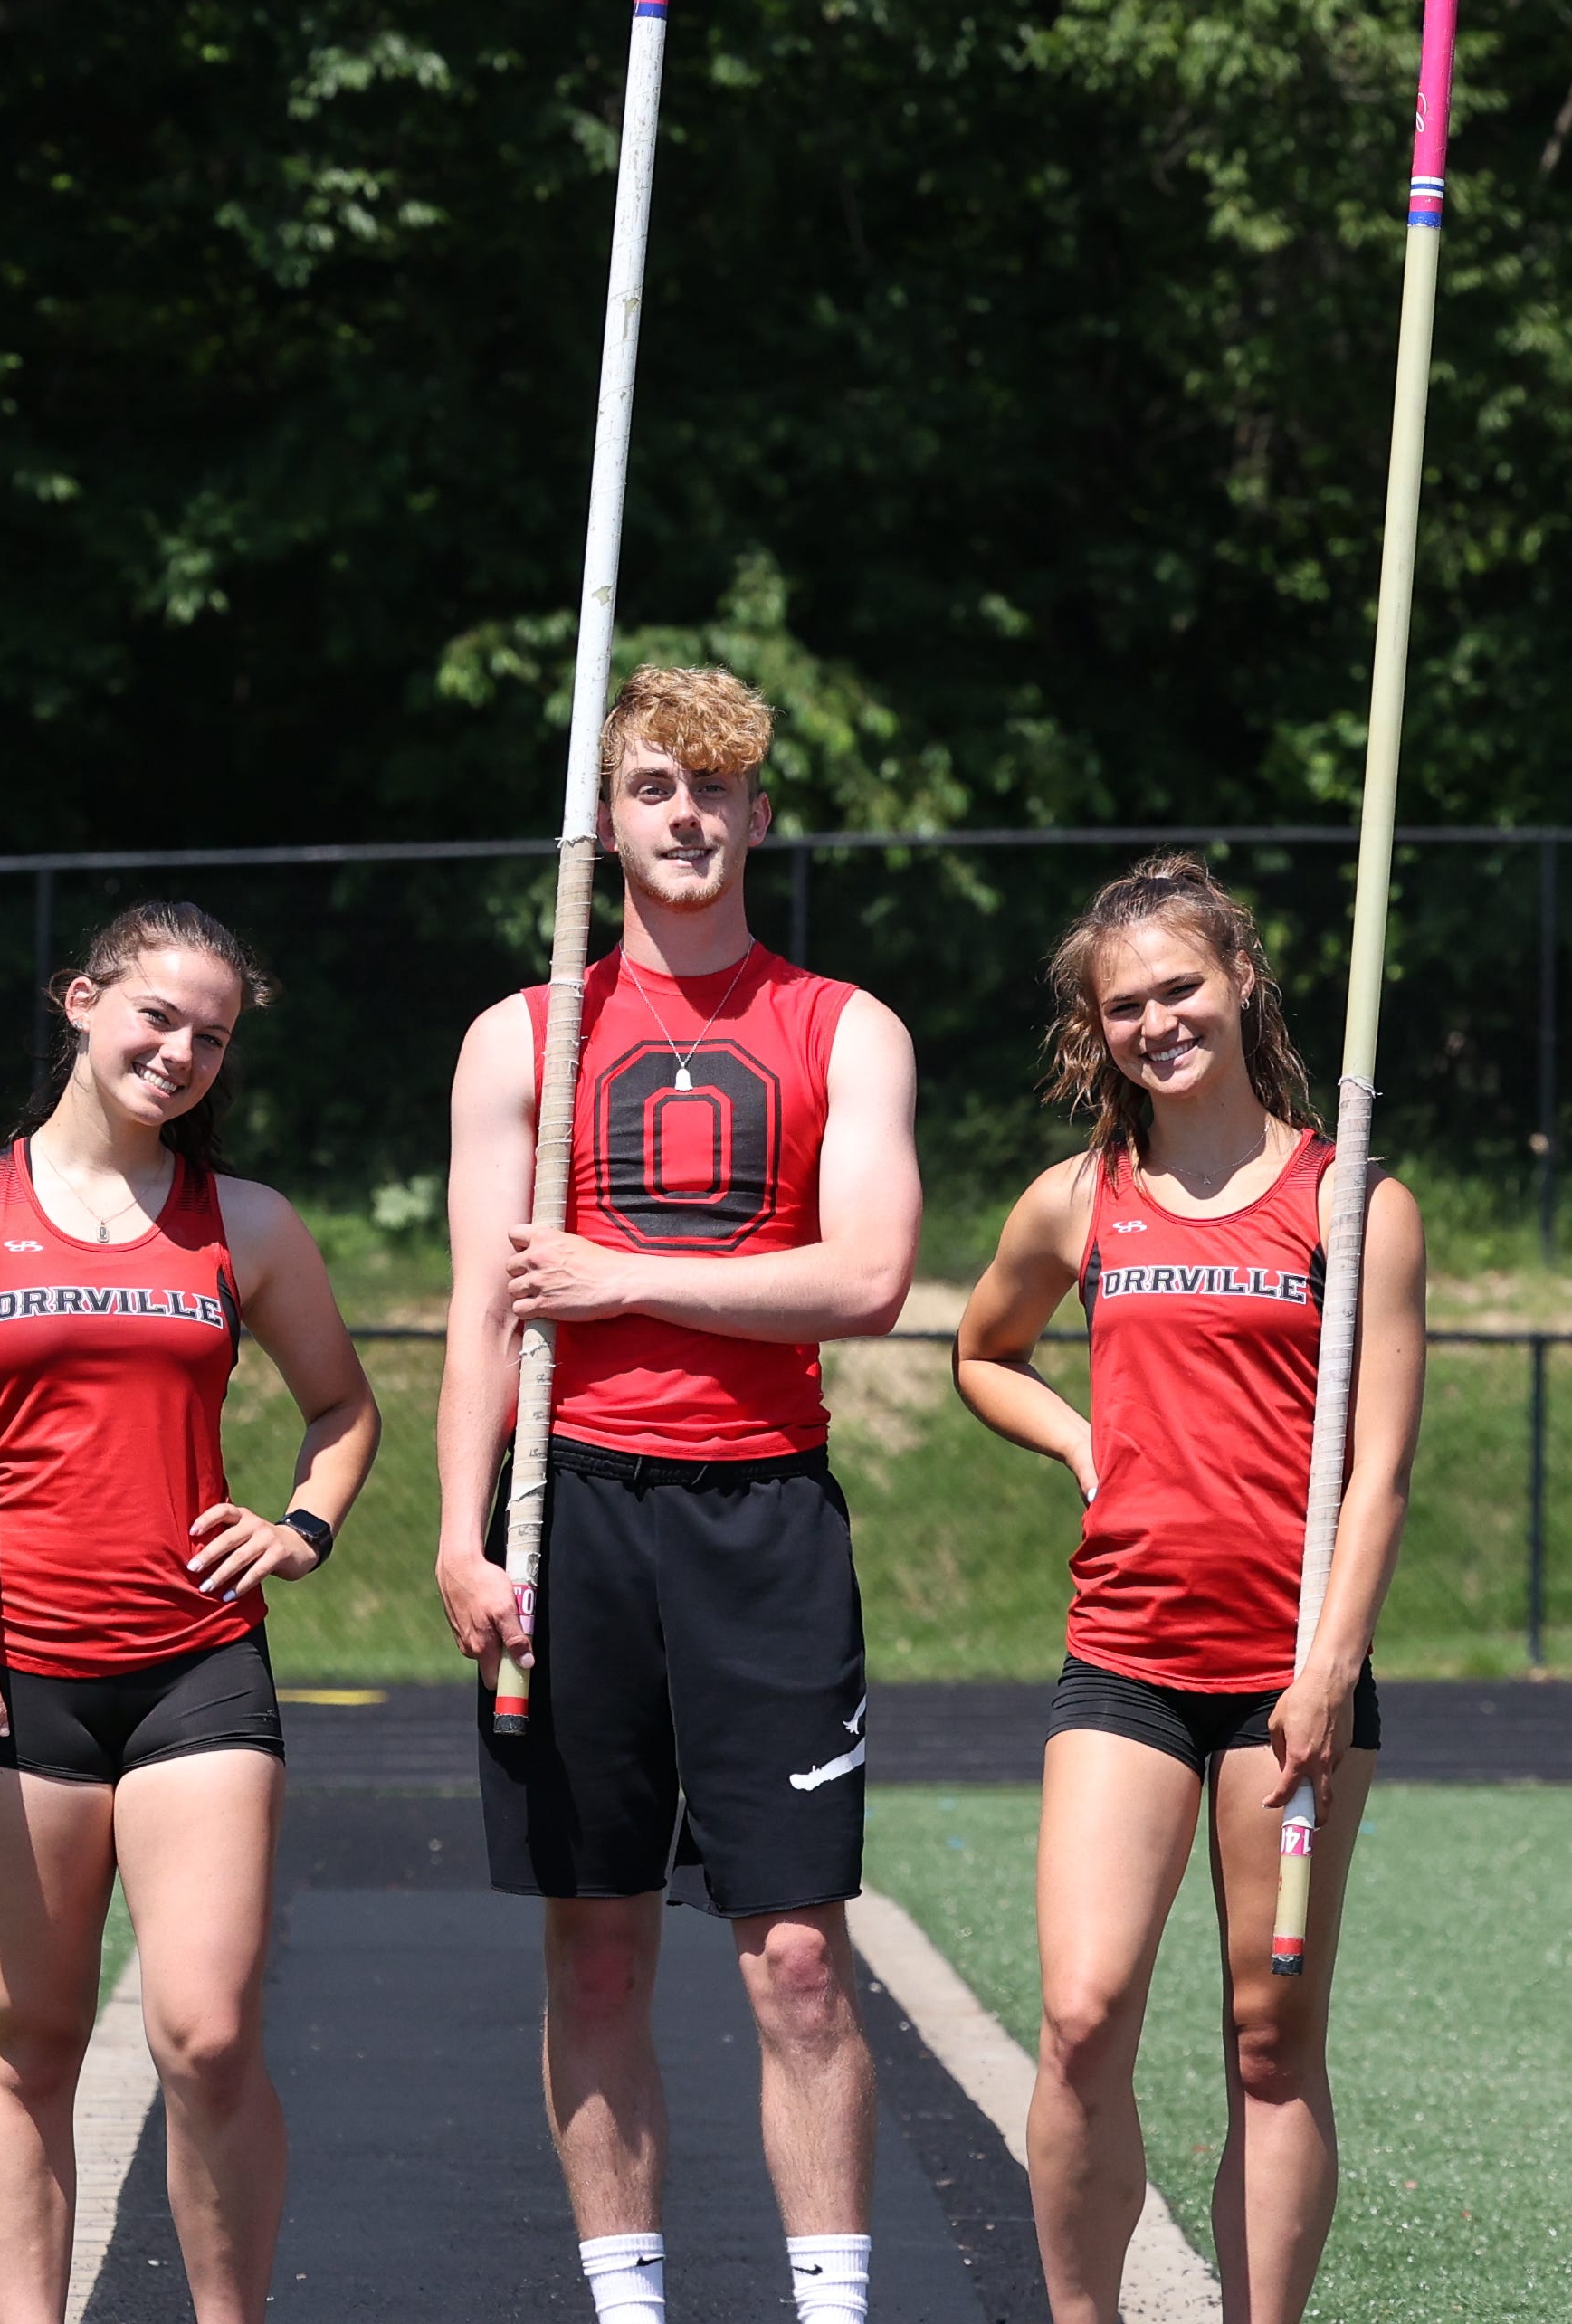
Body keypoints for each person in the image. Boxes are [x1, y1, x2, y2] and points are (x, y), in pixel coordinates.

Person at [438, 664, 922, 2324]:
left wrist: (624, 1275)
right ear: (608, 820)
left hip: (760, 1520)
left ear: (759, 817)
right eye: (655, 786)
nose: (688, 815)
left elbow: (865, 1279)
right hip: (566, 1514)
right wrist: (458, 1532)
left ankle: (831, 2308)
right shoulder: (524, 1035)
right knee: (594, 1949)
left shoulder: (843, 1026)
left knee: (796, 1960)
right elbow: (484, 1308)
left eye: (716, 789)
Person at [0, 897, 379, 2324]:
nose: (179, 1053)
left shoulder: (247, 1223)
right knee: (26, 2044)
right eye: (157, 1016)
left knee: (206, 2037)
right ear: (80, 1000)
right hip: (12, 1674)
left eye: (210, 1037)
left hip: (194, 1669)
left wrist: (299, 1529)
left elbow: (342, 1409)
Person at [952, 852, 1425, 2324]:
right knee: (1081, 2014)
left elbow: (1379, 1473)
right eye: (1124, 1006)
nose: (1157, 1021)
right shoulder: (1076, 1203)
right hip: (1126, 1662)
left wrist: (1326, 1672)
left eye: (1180, 988)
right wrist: (1081, 1442)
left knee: (1268, 2042)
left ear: (1241, 985)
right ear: (1093, 1032)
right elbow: (982, 1352)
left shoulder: (1352, 1207)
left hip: (1292, 1678)